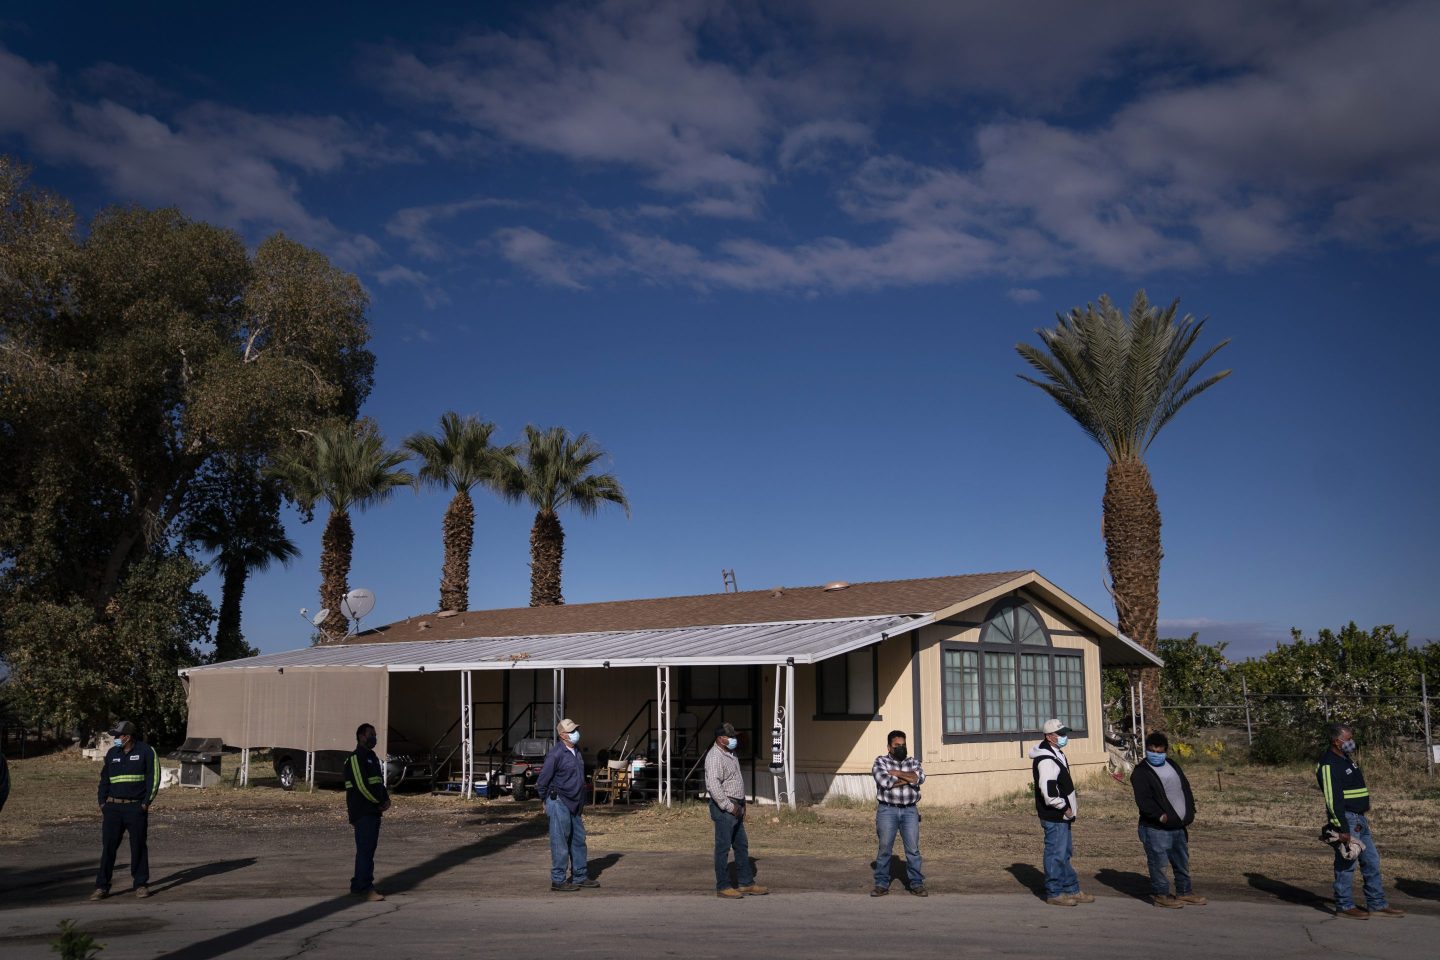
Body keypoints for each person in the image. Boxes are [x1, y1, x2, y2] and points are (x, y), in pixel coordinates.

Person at [1317, 722, 1404, 919]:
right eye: (1348, 739)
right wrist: (1341, 827)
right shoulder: (1329, 764)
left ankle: (1376, 903)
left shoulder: (1346, 759)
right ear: (1336, 741)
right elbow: (1332, 799)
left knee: (1372, 861)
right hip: (1347, 820)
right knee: (1347, 863)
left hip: (1360, 819)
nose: (1351, 742)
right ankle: (1345, 906)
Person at [1130, 731, 1204, 908]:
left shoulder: (1172, 764)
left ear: (1165, 751)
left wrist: (1190, 810)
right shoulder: (1141, 772)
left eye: (1159, 751)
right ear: (1146, 750)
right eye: (1152, 751)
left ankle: (1184, 892)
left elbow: (1184, 787)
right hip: (1156, 828)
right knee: (1159, 863)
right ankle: (1161, 895)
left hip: (1178, 826)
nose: (1156, 754)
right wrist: (1160, 816)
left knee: (1181, 861)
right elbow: (1144, 801)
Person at [91, 720, 159, 900]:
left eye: (117, 736)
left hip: (135, 808)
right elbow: (104, 780)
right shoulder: (112, 753)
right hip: (112, 808)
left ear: (127, 737)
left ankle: (141, 884)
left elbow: (154, 778)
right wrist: (102, 803)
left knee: (138, 846)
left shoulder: (146, 751)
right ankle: (102, 886)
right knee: (108, 848)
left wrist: (145, 803)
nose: (115, 739)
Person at [1028, 718, 1093, 907]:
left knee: (1064, 853)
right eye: (1061, 734)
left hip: (1062, 815)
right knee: (1056, 853)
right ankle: (1055, 892)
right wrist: (1064, 807)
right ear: (1049, 736)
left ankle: (1071, 889)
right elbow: (1048, 792)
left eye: (1065, 733)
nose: (1065, 737)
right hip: (1055, 815)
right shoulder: (1046, 760)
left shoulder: (1057, 753)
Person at [704, 722, 767, 899]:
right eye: (730, 737)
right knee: (723, 847)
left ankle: (746, 883)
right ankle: (723, 886)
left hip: (737, 805)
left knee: (741, 845)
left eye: (734, 736)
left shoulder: (731, 753)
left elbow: (736, 779)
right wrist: (729, 806)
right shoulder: (714, 757)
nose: (733, 740)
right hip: (725, 808)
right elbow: (714, 786)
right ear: (720, 739)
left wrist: (742, 804)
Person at [535, 718, 597, 891]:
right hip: (559, 801)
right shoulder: (556, 754)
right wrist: (545, 800)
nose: (575, 733)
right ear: (562, 735)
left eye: (575, 730)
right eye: (571, 731)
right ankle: (558, 880)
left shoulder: (576, 751)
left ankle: (580, 876)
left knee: (578, 840)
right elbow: (542, 781)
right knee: (560, 841)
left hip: (575, 802)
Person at [870, 729, 926, 897]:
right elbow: (885, 782)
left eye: (903, 745)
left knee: (913, 850)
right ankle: (881, 883)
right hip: (887, 810)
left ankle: (916, 884)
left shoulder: (913, 761)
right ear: (889, 747)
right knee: (885, 848)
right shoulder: (880, 762)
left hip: (910, 811)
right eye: (897, 745)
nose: (901, 748)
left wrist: (898, 774)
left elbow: (920, 778)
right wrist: (908, 778)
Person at [346, 722, 391, 901]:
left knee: (367, 849)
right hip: (363, 811)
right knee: (365, 849)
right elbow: (362, 786)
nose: (374, 738)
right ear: (361, 737)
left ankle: (358, 885)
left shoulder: (372, 756)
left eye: (375, 734)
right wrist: (378, 802)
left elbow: (378, 781)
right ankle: (366, 887)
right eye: (370, 734)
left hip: (373, 811)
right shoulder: (356, 758)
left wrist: (385, 799)